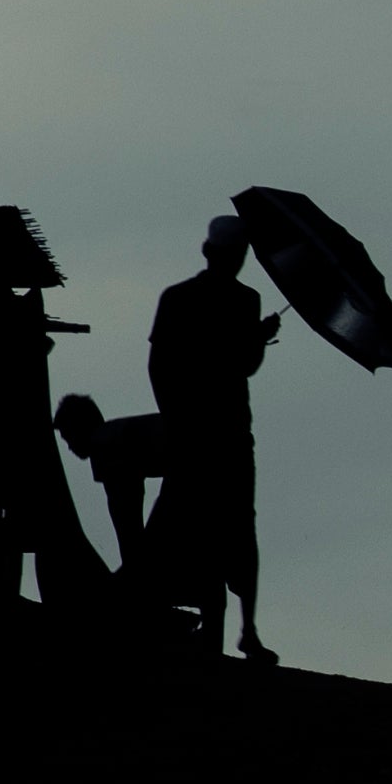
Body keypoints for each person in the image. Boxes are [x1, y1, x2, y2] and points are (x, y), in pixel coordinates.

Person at [143, 214, 281, 661]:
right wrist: (257, 339)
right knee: (238, 526)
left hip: (197, 432)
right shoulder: (245, 301)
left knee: (183, 521)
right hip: (227, 433)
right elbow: (244, 366)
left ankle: (173, 610)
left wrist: (175, 416)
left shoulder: (179, 297)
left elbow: (159, 365)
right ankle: (247, 628)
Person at [53, 393, 166, 574]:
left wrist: (132, 570)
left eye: (67, 437)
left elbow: (126, 519)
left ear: (78, 428)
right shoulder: (113, 436)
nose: (69, 447)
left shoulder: (105, 444)